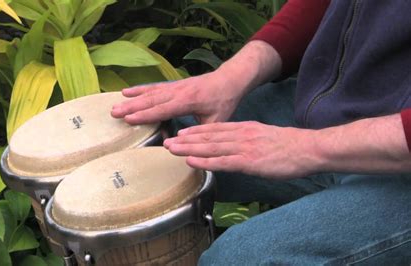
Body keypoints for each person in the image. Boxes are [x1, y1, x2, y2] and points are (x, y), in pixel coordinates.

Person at [112, 0, 411, 264]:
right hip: (342, 105)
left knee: (241, 257)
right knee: (147, 135)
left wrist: (306, 148)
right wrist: (230, 78)